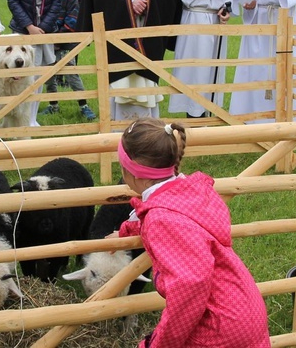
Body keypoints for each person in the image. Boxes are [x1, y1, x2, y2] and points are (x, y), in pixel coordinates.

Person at [112, 118, 271, 348]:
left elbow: (190, 285)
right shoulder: (187, 194)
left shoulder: (161, 219)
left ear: (133, 172)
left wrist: (159, 344)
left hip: (218, 327)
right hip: (245, 311)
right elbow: (178, 223)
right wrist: (127, 230)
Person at [6, 0, 63, 127]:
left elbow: (58, 0)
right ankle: (18, 117)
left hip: (44, 31)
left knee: (39, 76)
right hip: (23, 30)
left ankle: (31, 119)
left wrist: (44, 26)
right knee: (21, 76)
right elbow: (13, 1)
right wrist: (29, 26)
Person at [42, 0, 97, 120]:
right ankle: (53, 105)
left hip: (65, 45)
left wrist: (59, 36)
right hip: (49, 45)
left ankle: (83, 105)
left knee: (72, 75)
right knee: (49, 76)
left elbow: (73, 20)